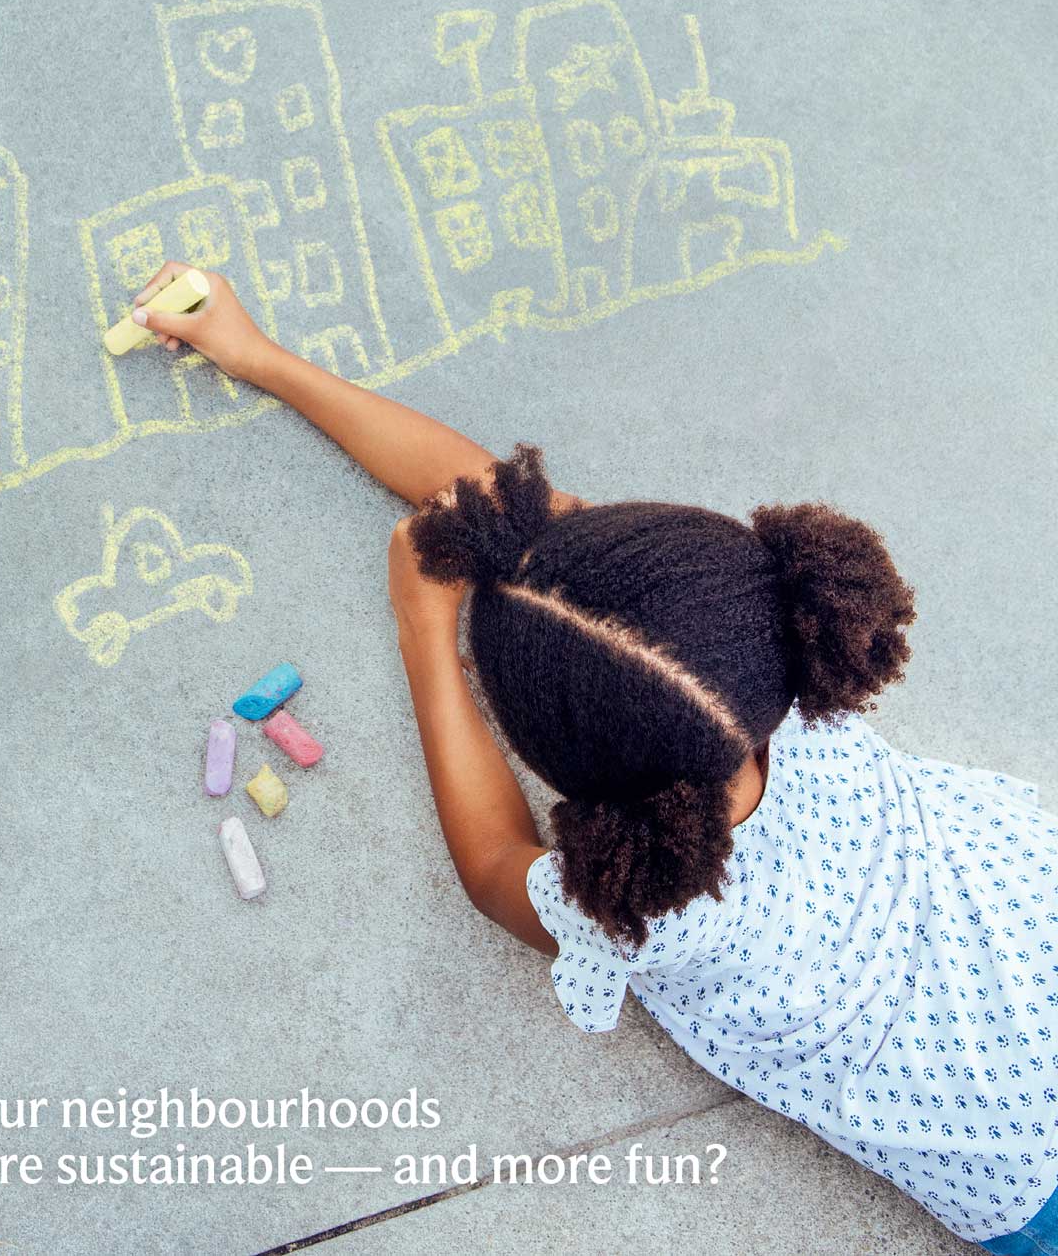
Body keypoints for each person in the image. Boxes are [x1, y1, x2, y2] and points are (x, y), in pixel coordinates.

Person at [128, 265, 1058, 1253]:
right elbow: (500, 510)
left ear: (577, 787)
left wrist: (423, 636)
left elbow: (493, 866)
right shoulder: (753, 648)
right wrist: (263, 358)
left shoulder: (651, 906)